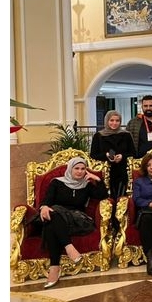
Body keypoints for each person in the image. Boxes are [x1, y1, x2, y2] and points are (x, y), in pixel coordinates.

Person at [38, 157, 109, 289]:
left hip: (77, 220)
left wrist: (97, 179)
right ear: (70, 169)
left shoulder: (86, 185)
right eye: (76, 168)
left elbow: (103, 196)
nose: (80, 171)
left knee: (51, 220)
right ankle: (68, 248)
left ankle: (54, 268)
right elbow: (47, 200)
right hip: (58, 218)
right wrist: (44, 207)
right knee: (53, 214)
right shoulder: (56, 183)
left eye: (83, 169)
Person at [89, 110, 135, 198]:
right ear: (107, 121)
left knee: (122, 197)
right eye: (111, 120)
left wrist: (122, 156)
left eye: (117, 121)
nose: (114, 123)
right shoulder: (99, 136)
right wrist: (106, 155)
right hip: (106, 171)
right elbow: (93, 155)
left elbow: (133, 153)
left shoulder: (126, 135)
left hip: (123, 170)